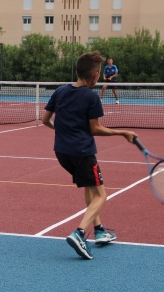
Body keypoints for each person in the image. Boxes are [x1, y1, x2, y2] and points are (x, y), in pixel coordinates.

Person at [41, 52, 137, 260]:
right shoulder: (91, 96)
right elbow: (95, 128)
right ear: (94, 76)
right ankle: (80, 233)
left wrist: (61, 131)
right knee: (102, 195)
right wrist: (123, 133)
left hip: (62, 153)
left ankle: (100, 229)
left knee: (89, 187)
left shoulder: (60, 92)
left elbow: (45, 120)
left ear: (77, 71)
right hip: (83, 153)